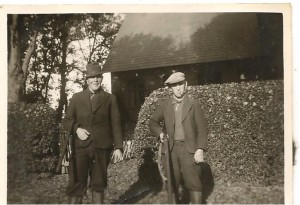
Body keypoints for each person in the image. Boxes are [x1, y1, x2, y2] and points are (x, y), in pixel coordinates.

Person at [63, 62, 123, 204]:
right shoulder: (77, 98)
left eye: (98, 77)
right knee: (76, 185)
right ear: (87, 80)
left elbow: (116, 123)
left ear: (101, 78)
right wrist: (77, 129)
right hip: (80, 149)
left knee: (98, 185)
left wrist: (119, 147)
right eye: (92, 77)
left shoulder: (110, 99)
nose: (95, 80)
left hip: (101, 149)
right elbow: (67, 121)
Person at [149, 72, 208, 204]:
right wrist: (160, 133)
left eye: (180, 84)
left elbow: (202, 129)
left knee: (194, 182)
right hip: (171, 150)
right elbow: (152, 121)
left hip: (189, 149)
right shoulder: (165, 105)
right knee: (172, 181)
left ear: (185, 85)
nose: (178, 88)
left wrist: (200, 149)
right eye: (175, 85)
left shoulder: (194, 104)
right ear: (171, 88)